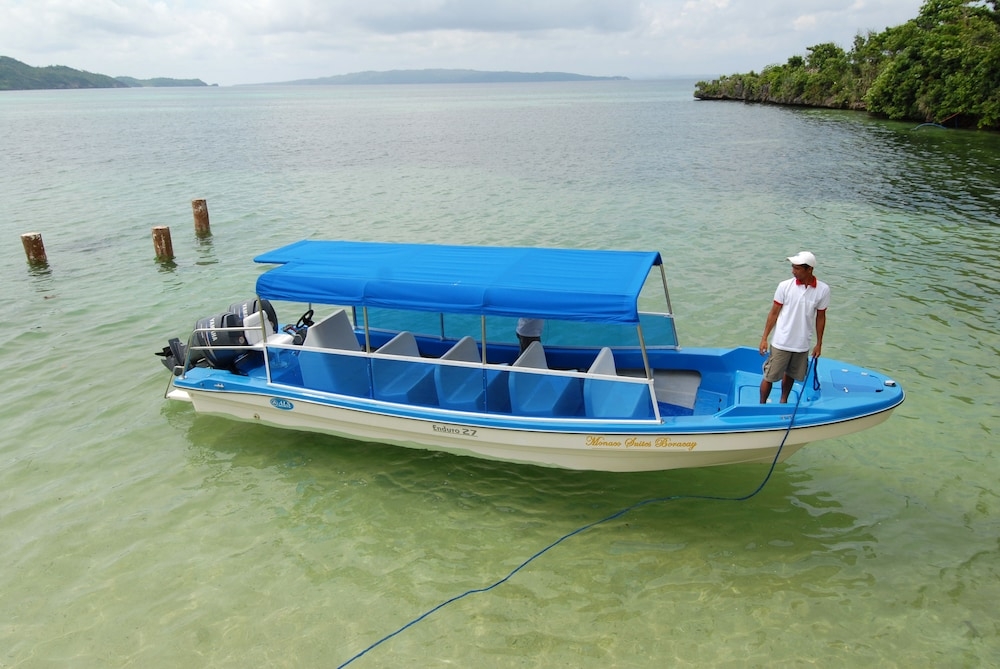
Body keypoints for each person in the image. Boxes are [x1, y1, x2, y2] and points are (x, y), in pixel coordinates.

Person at [758, 251, 830, 403]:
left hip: (802, 344)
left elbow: (821, 317)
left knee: (791, 374)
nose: (793, 271)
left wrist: (819, 344)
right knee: (769, 376)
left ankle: (783, 401)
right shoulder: (784, 286)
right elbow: (773, 313)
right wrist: (764, 338)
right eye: (793, 267)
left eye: (797, 268)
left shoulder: (823, 290)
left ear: (809, 269)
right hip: (781, 342)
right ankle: (762, 404)